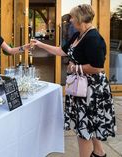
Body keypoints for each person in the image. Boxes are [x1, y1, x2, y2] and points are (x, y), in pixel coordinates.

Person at [31, 4, 116, 157]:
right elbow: (61, 51)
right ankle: (99, 153)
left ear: (80, 18)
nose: (69, 20)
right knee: (89, 125)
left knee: (83, 129)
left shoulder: (93, 38)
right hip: (80, 87)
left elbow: (97, 68)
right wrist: (40, 44)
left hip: (91, 91)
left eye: (72, 17)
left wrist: (75, 69)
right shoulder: (79, 35)